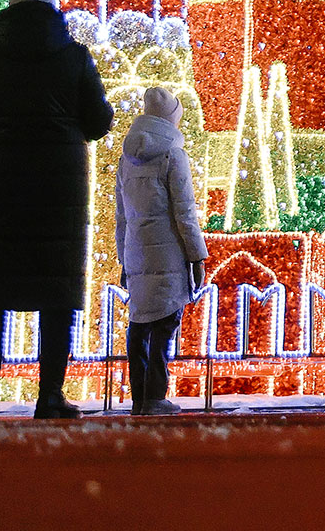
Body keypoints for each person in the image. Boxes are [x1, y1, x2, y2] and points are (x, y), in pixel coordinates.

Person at [0, 0, 114, 421]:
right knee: (56, 290)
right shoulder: (74, 56)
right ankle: (50, 395)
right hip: (58, 186)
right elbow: (99, 121)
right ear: (53, 6)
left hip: (0, 181)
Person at [114, 85, 206, 417]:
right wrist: (197, 256)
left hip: (136, 252)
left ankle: (139, 396)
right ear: (171, 119)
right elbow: (185, 212)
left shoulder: (126, 157)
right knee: (165, 322)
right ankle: (155, 395)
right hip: (168, 253)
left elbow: (121, 215)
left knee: (139, 323)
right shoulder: (173, 155)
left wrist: (124, 259)